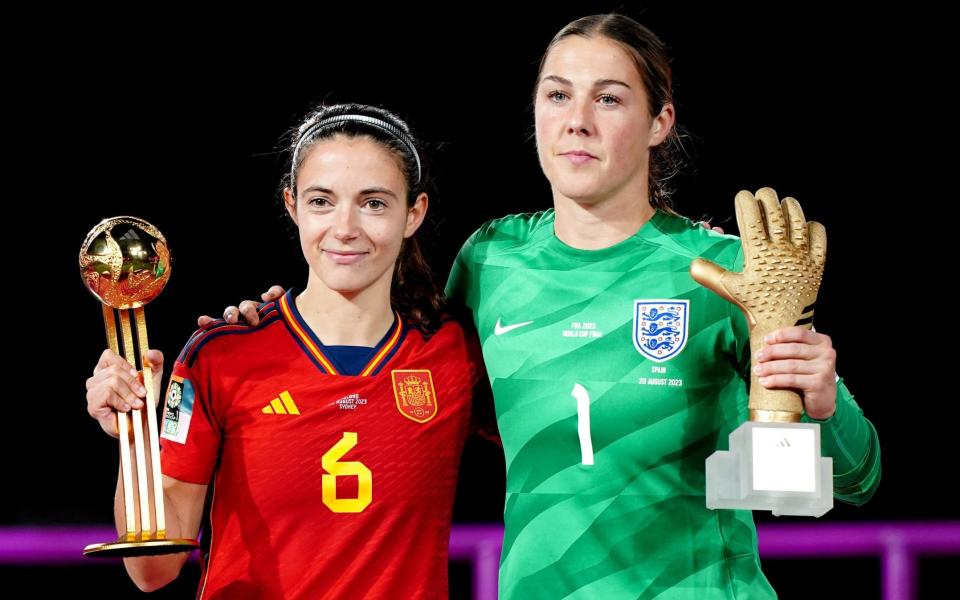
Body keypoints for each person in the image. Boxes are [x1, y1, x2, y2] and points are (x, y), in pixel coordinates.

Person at [215, 14, 881, 599]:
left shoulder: (727, 273)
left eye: (610, 99)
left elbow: (853, 482)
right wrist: (275, 329)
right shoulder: (490, 258)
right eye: (557, 95)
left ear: (659, 122)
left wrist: (821, 402)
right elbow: (406, 383)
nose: (577, 121)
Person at [85, 103, 485, 599]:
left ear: (414, 213)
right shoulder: (219, 357)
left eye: (374, 203)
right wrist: (134, 433)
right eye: (322, 201)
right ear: (292, 205)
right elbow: (153, 571)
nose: (345, 228)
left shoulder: (455, 353)